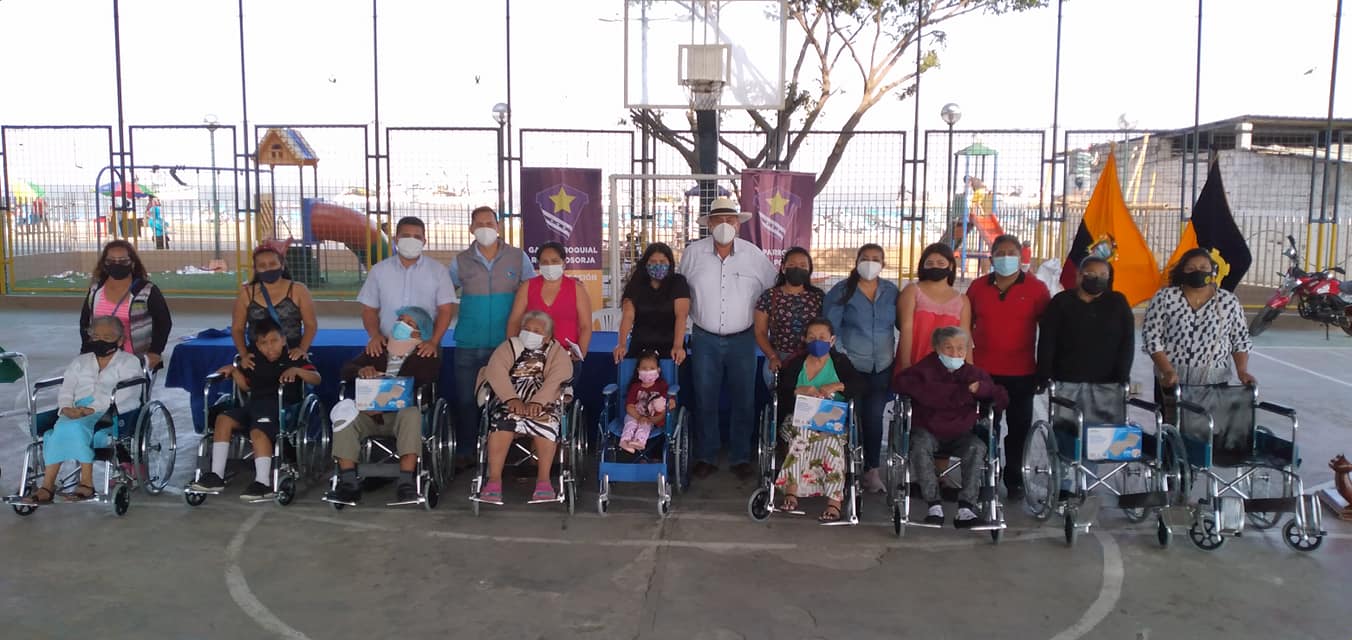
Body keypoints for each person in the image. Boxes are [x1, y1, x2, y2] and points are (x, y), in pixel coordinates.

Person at [678, 196, 778, 482]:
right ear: (709, 224)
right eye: (718, 220)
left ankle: (740, 456)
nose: (725, 224)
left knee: (743, 398)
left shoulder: (754, 255)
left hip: (743, 339)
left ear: (738, 224)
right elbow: (681, 292)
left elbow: (772, 290)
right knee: (704, 397)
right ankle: (706, 455)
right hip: (704, 337)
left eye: (730, 219)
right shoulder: (693, 253)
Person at [188, 318, 321, 501]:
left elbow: (316, 378)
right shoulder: (253, 360)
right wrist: (235, 372)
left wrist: (298, 371)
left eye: (274, 341)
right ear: (257, 345)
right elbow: (246, 388)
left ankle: (262, 483)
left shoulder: (294, 358)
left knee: (258, 429)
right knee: (223, 419)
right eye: (264, 343)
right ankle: (216, 475)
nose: (270, 347)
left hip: (281, 408)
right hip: (254, 406)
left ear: (283, 340)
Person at [894, 326, 1009, 528]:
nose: (955, 353)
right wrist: (961, 393)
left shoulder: (973, 373)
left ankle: (966, 508)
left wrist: (982, 389)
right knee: (919, 445)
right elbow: (900, 384)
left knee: (977, 447)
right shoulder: (923, 370)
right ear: (937, 348)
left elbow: (1001, 399)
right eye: (948, 348)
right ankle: (933, 504)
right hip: (928, 429)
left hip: (961, 432)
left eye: (960, 348)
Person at [22, 316, 144, 504]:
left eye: (107, 337)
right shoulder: (81, 361)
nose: (101, 341)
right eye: (96, 337)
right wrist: (66, 407)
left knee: (72, 428)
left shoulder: (129, 362)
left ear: (120, 340)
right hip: (76, 408)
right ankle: (52, 486)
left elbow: (128, 393)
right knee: (58, 429)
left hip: (111, 411)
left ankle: (76, 483)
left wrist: (91, 409)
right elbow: (67, 388)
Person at [325, 306, 440, 505]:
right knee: (345, 414)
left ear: (419, 332)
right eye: (400, 319)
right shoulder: (379, 348)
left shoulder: (425, 356)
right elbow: (347, 369)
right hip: (369, 414)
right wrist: (362, 370)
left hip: (400, 415)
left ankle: (406, 483)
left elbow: (421, 384)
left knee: (412, 414)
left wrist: (383, 395)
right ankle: (348, 483)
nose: (401, 325)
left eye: (409, 323)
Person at [965, 233, 1050, 500]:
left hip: (1022, 373)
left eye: (1011, 253)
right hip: (984, 373)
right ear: (991, 258)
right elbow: (965, 326)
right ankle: (985, 477)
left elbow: (1048, 332)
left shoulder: (1037, 289)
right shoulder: (977, 288)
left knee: (1019, 429)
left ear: (1020, 256)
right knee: (985, 428)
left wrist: (1044, 370)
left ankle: (1015, 479)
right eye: (1000, 253)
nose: (1005, 257)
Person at [450, 206, 534, 470]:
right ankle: (466, 450)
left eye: (490, 223)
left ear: (498, 227)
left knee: (505, 400)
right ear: (471, 229)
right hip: (468, 342)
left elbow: (532, 292)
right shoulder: (460, 261)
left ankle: (502, 452)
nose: (485, 227)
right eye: (479, 223)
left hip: (506, 344)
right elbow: (442, 293)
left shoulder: (518, 258)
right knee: (466, 400)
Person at [475, 311, 574, 503]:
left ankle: (544, 481)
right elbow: (495, 370)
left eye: (536, 331)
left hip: (543, 400)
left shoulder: (557, 351)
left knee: (547, 423)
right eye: (526, 329)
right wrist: (511, 399)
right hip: (509, 398)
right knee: (501, 423)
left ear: (548, 336)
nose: (530, 333)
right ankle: (494, 481)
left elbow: (559, 377)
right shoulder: (509, 346)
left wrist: (539, 401)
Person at [824, 244, 898, 494]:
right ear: (856, 262)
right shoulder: (842, 290)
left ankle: (871, 470)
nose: (870, 262)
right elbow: (831, 329)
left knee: (874, 416)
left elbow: (901, 323)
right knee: (849, 416)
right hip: (851, 367)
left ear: (883, 264)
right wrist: (842, 357)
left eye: (876, 259)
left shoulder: (891, 291)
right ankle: (843, 468)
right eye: (865, 258)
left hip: (882, 367)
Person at [774, 318, 863, 523]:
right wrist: (798, 390)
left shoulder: (840, 362)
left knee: (832, 442)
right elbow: (780, 392)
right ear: (805, 339)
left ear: (832, 340)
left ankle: (834, 503)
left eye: (822, 337)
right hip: (798, 418)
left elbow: (860, 385)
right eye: (812, 337)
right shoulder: (796, 364)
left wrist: (837, 386)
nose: (817, 341)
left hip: (831, 419)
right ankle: (792, 491)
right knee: (802, 433)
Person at [1142, 248, 1256, 402]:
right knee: (1172, 418)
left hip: (1215, 383)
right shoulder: (1165, 297)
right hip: (1172, 382)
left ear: (1213, 271)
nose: (1198, 272)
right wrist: (1167, 370)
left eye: (1203, 267)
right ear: (1182, 272)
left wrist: (1242, 371)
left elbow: (1240, 340)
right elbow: (1152, 338)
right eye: (1191, 268)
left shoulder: (1228, 301)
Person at [359, 216, 458, 363]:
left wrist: (433, 341)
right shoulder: (379, 271)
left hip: (424, 348)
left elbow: (445, 311)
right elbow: (369, 310)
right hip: (384, 345)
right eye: (406, 236)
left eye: (417, 237)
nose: (412, 240)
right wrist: (375, 336)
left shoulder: (438, 271)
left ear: (424, 241)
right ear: (396, 239)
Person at [1037, 256, 1134, 386]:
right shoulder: (1061, 301)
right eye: (1092, 274)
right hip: (1066, 380)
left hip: (1109, 382)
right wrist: (1044, 374)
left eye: (1103, 274)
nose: (1098, 278)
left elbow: (1127, 341)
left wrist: (1123, 375)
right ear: (1080, 275)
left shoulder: (1117, 302)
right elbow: (1047, 340)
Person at [78, 240, 172, 371]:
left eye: (123, 261)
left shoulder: (147, 290)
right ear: (104, 264)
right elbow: (85, 322)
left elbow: (163, 323)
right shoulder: (95, 290)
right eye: (111, 261)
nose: (117, 264)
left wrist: (155, 352)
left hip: (136, 362)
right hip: (98, 361)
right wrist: (86, 351)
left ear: (132, 263)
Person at [506, 241, 593, 371]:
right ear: (539, 264)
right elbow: (514, 321)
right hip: (531, 358)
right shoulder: (527, 287)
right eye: (544, 262)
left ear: (564, 263)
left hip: (566, 358)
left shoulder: (577, 289)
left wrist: (581, 351)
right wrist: (513, 351)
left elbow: (586, 326)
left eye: (554, 261)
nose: (550, 265)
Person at [231, 244, 317, 368]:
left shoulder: (298, 290)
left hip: (291, 352)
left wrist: (302, 349)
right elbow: (237, 328)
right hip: (258, 353)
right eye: (262, 265)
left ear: (282, 265)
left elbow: (311, 324)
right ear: (256, 269)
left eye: (272, 264)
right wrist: (244, 355)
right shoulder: (246, 294)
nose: (268, 268)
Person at [754, 246, 825, 388]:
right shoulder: (769, 296)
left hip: (811, 358)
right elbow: (760, 331)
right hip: (779, 359)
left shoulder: (818, 297)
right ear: (783, 268)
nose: (797, 269)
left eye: (803, 265)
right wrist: (772, 357)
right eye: (792, 265)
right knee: (780, 397)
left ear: (809, 270)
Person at [896, 242, 970, 371]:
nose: (934, 266)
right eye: (929, 263)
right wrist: (905, 364)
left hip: (948, 369)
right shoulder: (912, 291)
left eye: (940, 263)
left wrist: (970, 368)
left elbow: (966, 337)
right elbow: (906, 329)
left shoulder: (962, 300)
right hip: (915, 365)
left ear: (951, 266)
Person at [614, 242, 690, 365]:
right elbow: (628, 315)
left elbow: (681, 316)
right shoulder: (636, 283)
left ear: (670, 263)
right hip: (641, 346)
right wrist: (621, 344)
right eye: (653, 262)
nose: (658, 265)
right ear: (646, 263)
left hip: (671, 348)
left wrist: (677, 346)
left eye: (662, 261)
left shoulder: (678, 282)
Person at [621, 351, 669, 453]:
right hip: (634, 414)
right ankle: (625, 441)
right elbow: (629, 406)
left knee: (645, 425)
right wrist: (638, 417)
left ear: (658, 370)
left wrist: (671, 402)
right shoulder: (635, 387)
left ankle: (639, 441)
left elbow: (668, 402)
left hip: (649, 417)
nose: (648, 371)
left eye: (652, 368)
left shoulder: (661, 386)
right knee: (630, 423)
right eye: (644, 368)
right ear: (638, 370)